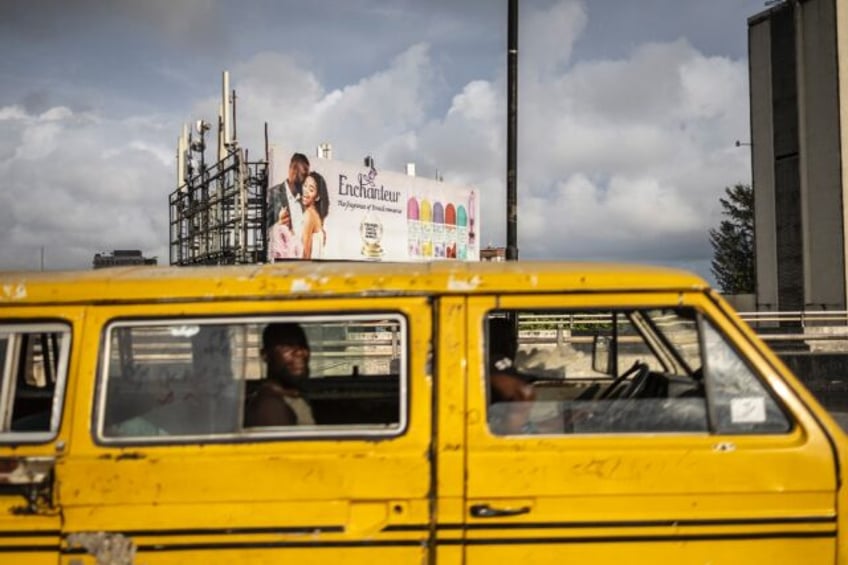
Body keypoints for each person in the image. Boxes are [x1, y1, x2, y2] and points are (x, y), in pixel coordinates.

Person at [244, 323, 315, 426]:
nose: (299, 352)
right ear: (265, 355)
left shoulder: (287, 397)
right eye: (287, 347)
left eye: (303, 345)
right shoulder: (271, 406)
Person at [486, 317, 536, 434]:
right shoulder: (494, 363)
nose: (514, 347)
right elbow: (521, 394)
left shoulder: (497, 363)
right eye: (510, 341)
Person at [267, 153, 310, 260]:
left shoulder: (303, 202)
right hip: (280, 266)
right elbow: (261, 232)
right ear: (293, 171)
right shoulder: (273, 194)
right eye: (304, 175)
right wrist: (278, 225)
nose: (307, 180)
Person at [300, 171, 330, 259]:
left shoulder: (309, 215)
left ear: (317, 197)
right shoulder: (317, 216)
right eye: (305, 185)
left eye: (311, 189)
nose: (305, 191)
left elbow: (306, 254)